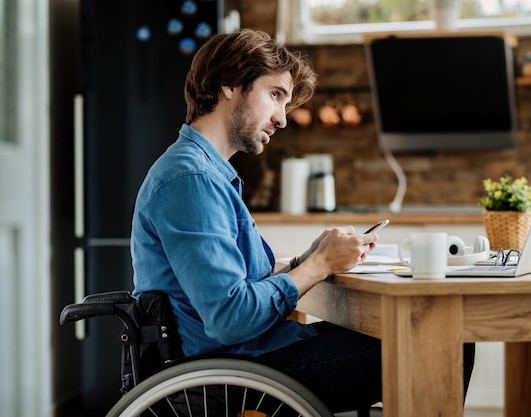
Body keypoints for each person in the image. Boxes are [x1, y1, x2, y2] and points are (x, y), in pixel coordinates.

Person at [131, 28, 474, 413]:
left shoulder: (205, 175)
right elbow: (230, 318)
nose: (282, 119)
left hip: (252, 355)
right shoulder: (190, 180)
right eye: (275, 95)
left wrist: (305, 261)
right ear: (229, 84)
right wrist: (318, 265)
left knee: (429, 333)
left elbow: (238, 289)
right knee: (441, 340)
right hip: (237, 371)